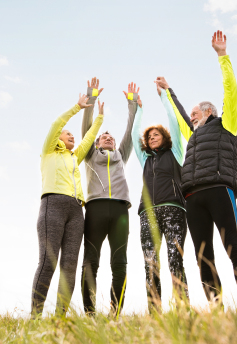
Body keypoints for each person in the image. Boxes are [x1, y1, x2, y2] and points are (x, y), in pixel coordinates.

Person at [156, 30, 237, 309]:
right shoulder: (193, 135)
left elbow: (230, 91)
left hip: (219, 190)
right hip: (193, 197)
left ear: (208, 111)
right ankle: (217, 307)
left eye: (195, 113)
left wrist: (222, 56)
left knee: (233, 249)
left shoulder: (228, 124)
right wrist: (168, 91)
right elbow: (177, 112)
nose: (191, 117)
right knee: (203, 257)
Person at [31, 92, 104, 316]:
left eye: (73, 133)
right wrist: (77, 108)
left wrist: (99, 118)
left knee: (69, 266)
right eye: (68, 133)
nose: (71, 135)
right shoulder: (48, 152)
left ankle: (60, 317)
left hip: (75, 211)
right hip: (52, 205)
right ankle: (35, 315)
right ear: (58, 138)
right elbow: (56, 124)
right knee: (48, 262)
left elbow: (89, 139)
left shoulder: (74, 157)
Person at [80, 78, 139, 316]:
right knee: (90, 263)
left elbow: (131, 132)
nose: (109, 138)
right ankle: (90, 313)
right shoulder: (90, 154)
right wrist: (91, 97)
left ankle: (115, 313)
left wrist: (133, 104)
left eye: (111, 138)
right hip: (94, 210)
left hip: (119, 213)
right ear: (95, 143)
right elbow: (86, 129)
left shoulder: (120, 156)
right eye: (104, 137)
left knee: (120, 264)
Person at [131, 83, 189, 313]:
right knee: (150, 264)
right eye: (150, 136)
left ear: (164, 137)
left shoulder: (176, 153)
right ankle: (155, 312)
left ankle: (183, 309)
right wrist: (139, 110)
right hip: (148, 213)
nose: (152, 137)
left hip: (174, 209)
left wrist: (165, 97)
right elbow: (135, 137)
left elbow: (174, 123)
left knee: (175, 260)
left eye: (156, 134)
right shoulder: (145, 159)